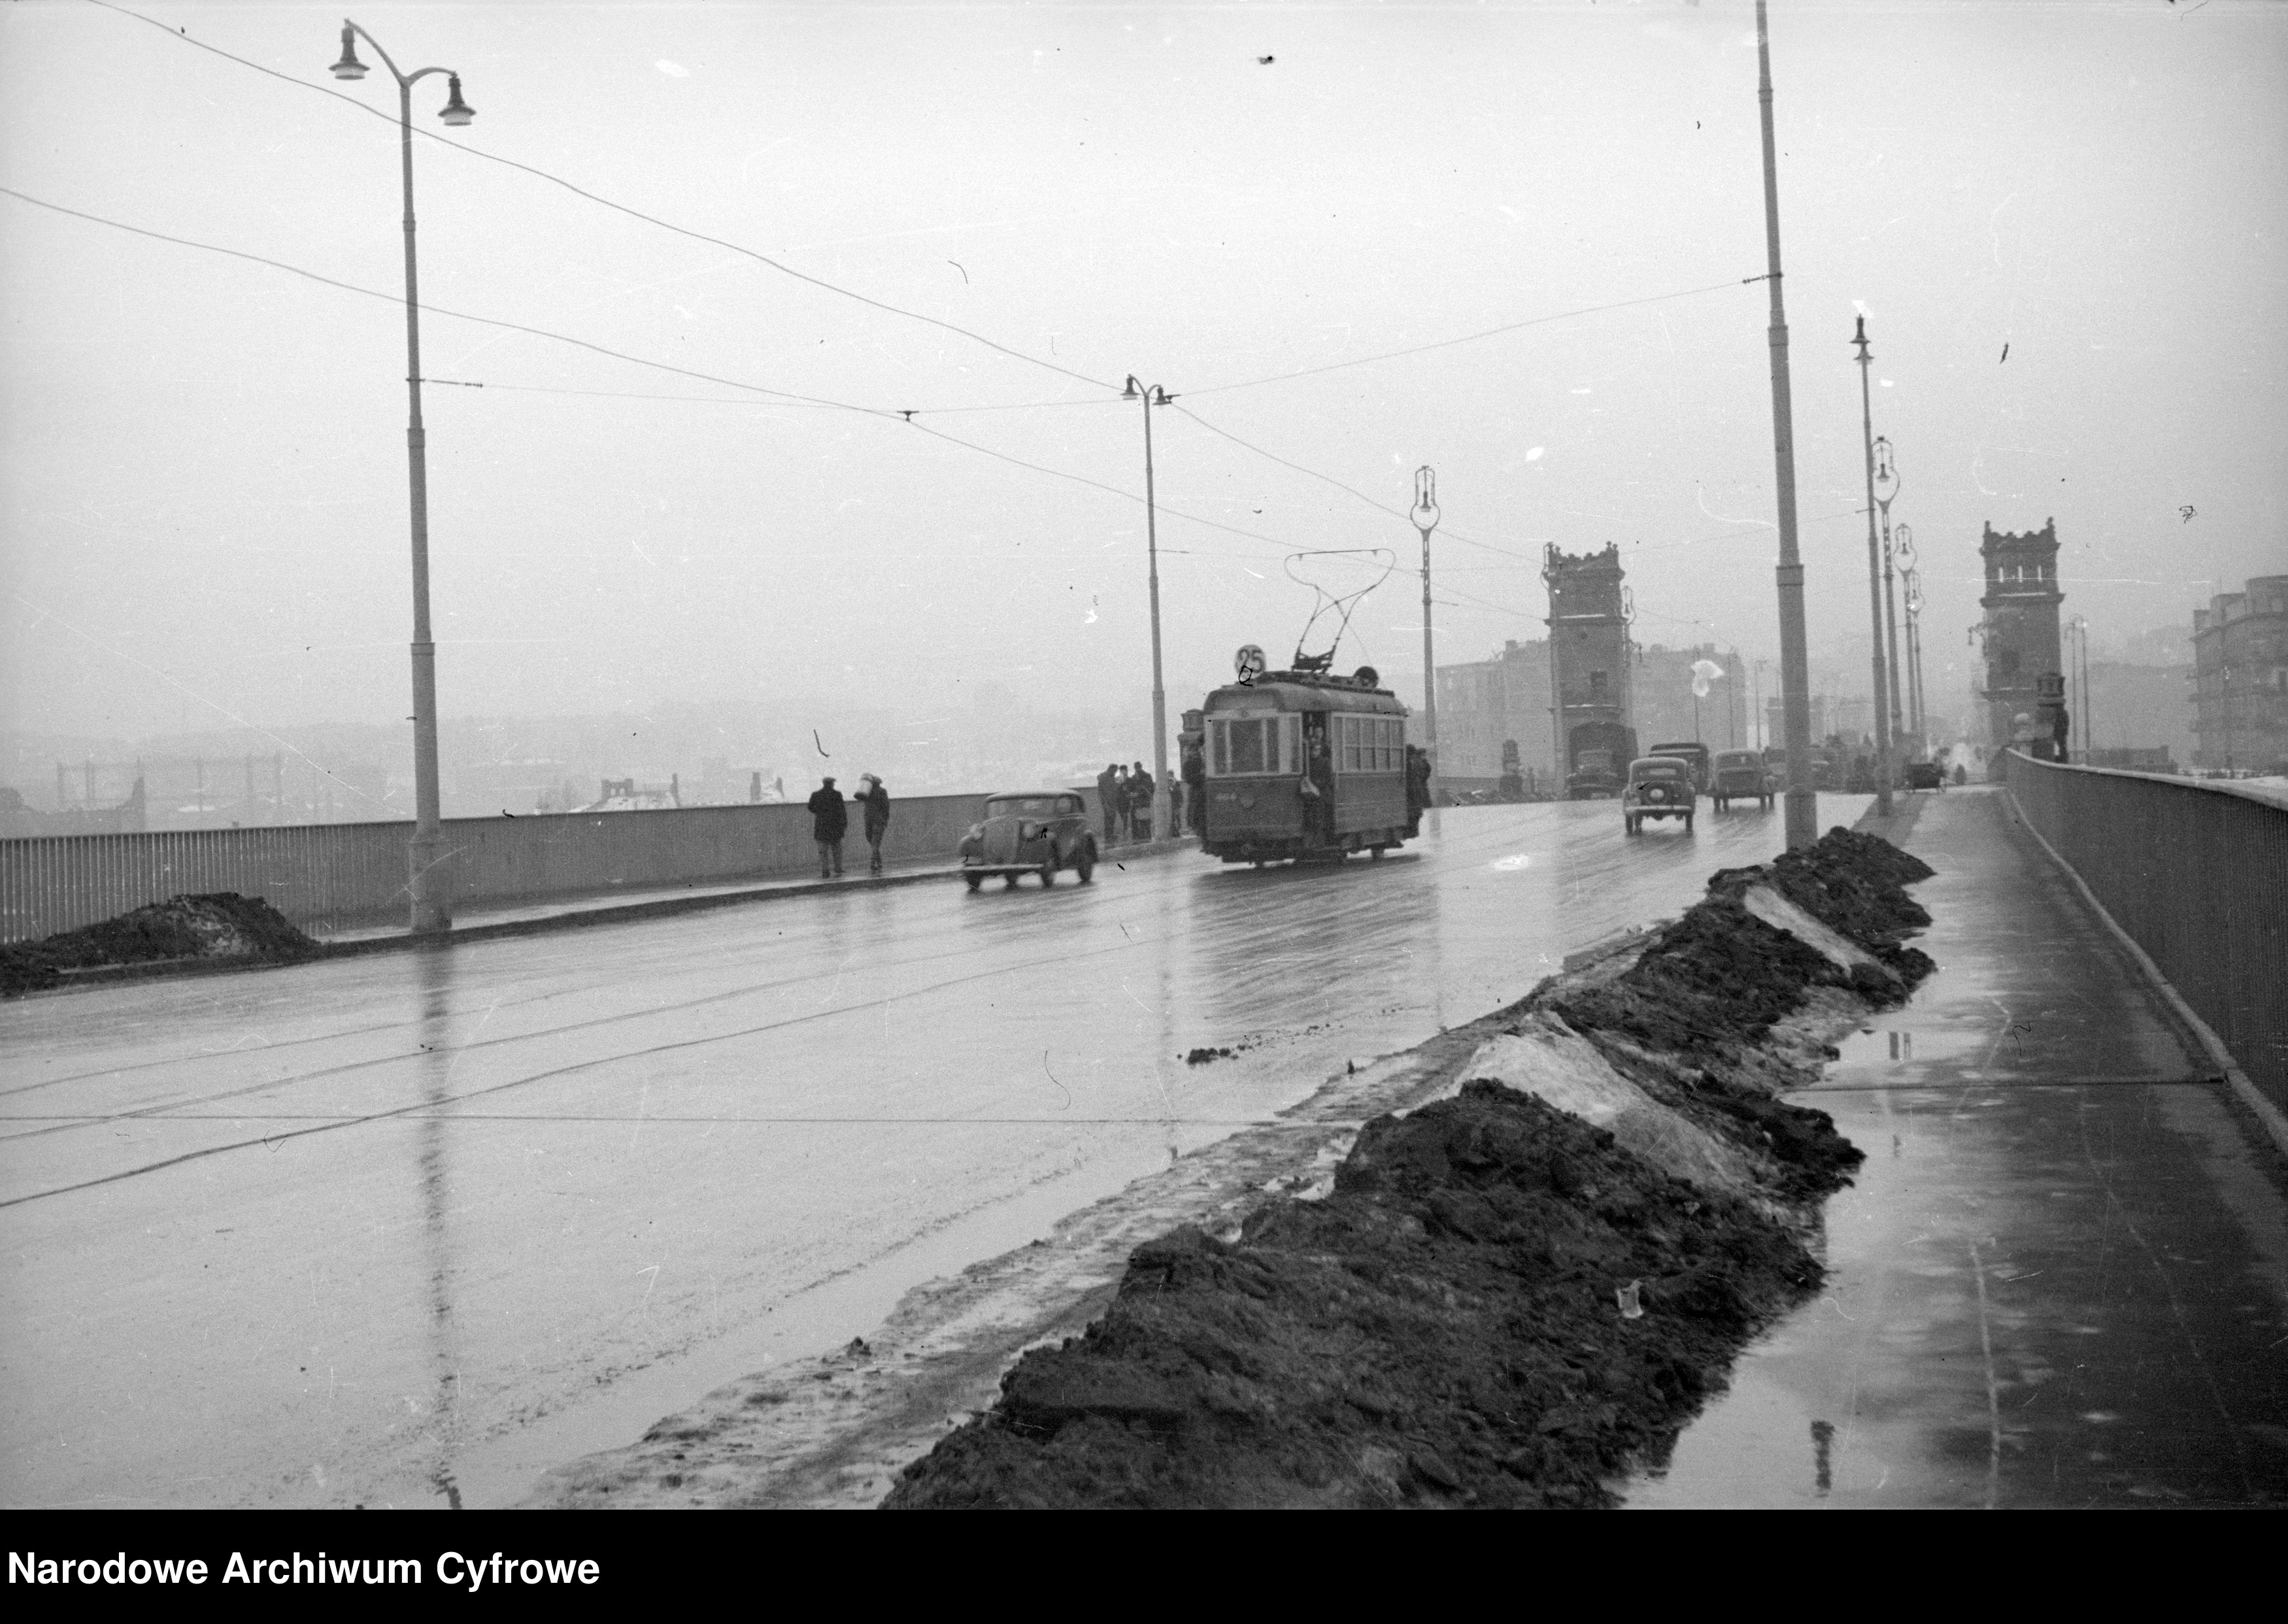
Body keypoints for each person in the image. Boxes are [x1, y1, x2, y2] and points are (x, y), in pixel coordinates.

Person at [807, 776, 846, 878]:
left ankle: (825, 870)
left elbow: (810, 807)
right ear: (832, 784)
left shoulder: (816, 795)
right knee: (837, 850)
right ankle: (838, 868)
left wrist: (819, 812)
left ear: (824, 784)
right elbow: (842, 810)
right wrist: (844, 824)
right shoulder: (837, 795)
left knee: (823, 851)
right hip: (835, 827)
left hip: (821, 826)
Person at [855, 773, 891, 874]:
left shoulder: (867, 792)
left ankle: (875, 863)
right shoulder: (882, 791)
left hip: (869, 820)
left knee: (871, 841)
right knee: (876, 842)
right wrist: (885, 819)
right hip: (879, 821)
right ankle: (878, 863)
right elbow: (886, 807)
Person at [1181, 737, 1207, 835]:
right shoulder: (1202, 761)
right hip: (1199, 789)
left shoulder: (1190, 763)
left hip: (1197, 789)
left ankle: (1197, 828)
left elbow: (1187, 778)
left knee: (1196, 810)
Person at [1129, 761, 1156, 841]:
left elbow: (1150, 789)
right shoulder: (1136, 777)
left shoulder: (1145, 776)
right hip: (1140, 802)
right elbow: (1131, 789)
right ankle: (1145, 837)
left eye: (1138, 767)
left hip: (1142, 802)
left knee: (1144, 820)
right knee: (1143, 821)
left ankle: (1145, 837)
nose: (1137, 769)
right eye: (1137, 768)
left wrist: (1137, 794)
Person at [1096, 762, 1120, 848]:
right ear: (1111, 769)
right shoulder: (1104, 777)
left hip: (1113, 802)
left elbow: (1117, 787)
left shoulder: (1113, 777)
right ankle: (1108, 837)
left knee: (1111, 819)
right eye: (1115, 771)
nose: (1115, 772)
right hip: (1107, 802)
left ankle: (1110, 836)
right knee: (1108, 820)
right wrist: (1105, 803)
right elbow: (1101, 792)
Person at [1112, 765, 1132, 841]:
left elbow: (1132, 789)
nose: (1125, 772)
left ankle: (1125, 832)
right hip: (1120, 801)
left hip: (1128, 801)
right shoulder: (1117, 780)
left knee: (1126, 816)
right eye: (1123, 771)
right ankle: (1124, 832)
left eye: (1126, 771)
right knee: (1123, 816)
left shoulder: (1130, 780)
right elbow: (1115, 790)